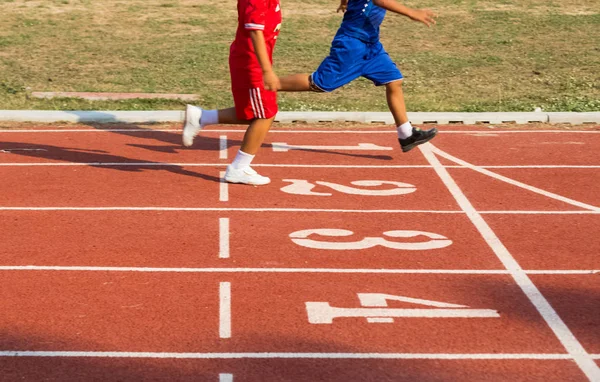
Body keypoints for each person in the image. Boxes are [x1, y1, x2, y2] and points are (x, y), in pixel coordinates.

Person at [277, 0, 439, 152]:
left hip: (371, 44)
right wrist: (411, 12)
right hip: (352, 43)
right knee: (320, 83)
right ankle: (268, 84)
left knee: (394, 81)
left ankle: (406, 134)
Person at [182, 0, 282, 186]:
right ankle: (238, 168)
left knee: (253, 112)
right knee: (265, 114)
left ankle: (202, 117)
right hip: (252, 64)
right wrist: (266, 70)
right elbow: (255, 31)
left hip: (252, 61)